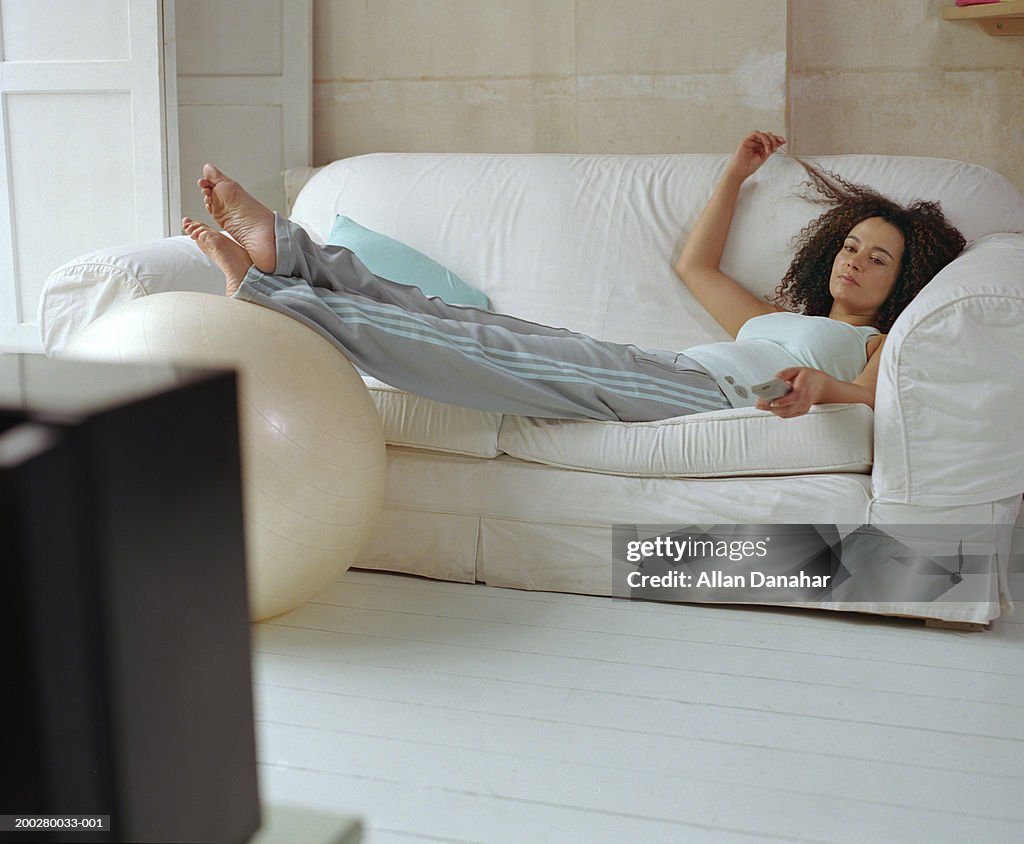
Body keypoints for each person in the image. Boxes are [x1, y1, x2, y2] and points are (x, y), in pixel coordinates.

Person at [181, 131, 966, 423]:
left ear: (899, 283)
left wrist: (825, 390)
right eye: (852, 245)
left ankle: (265, 290)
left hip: (699, 397)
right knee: (456, 321)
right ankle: (290, 251)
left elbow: (888, 399)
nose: (856, 261)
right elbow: (696, 265)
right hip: (662, 368)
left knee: (467, 354)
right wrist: (735, 173)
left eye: (878, 257)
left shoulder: (876, 342)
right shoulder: (767, 316)